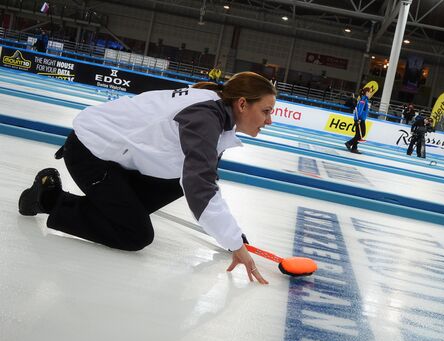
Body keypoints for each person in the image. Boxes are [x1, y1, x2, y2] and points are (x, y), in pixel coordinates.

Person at [18, 71, 276, 284]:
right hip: (90, 154)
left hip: (119, 161)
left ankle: (115, 209)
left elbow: (202, 180)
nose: (269, 120)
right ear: (242, 104)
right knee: (134, 233)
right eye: (266, 111)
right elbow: (200, 186)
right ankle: (49, 198)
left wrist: (232, 236)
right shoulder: (206, 116)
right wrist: (233, 241)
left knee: (173, 186)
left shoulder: (215, 113)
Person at [345, 87, 372, 154]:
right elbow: (360, 110)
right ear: (366, 92)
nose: (370, 94)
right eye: (369, 92)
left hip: (360, 119)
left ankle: (354, 148)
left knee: (358, 134)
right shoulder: (363, 99)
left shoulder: (365, 99)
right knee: (362, 134)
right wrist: (359, 119)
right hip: (360, 119)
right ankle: (349, 143)